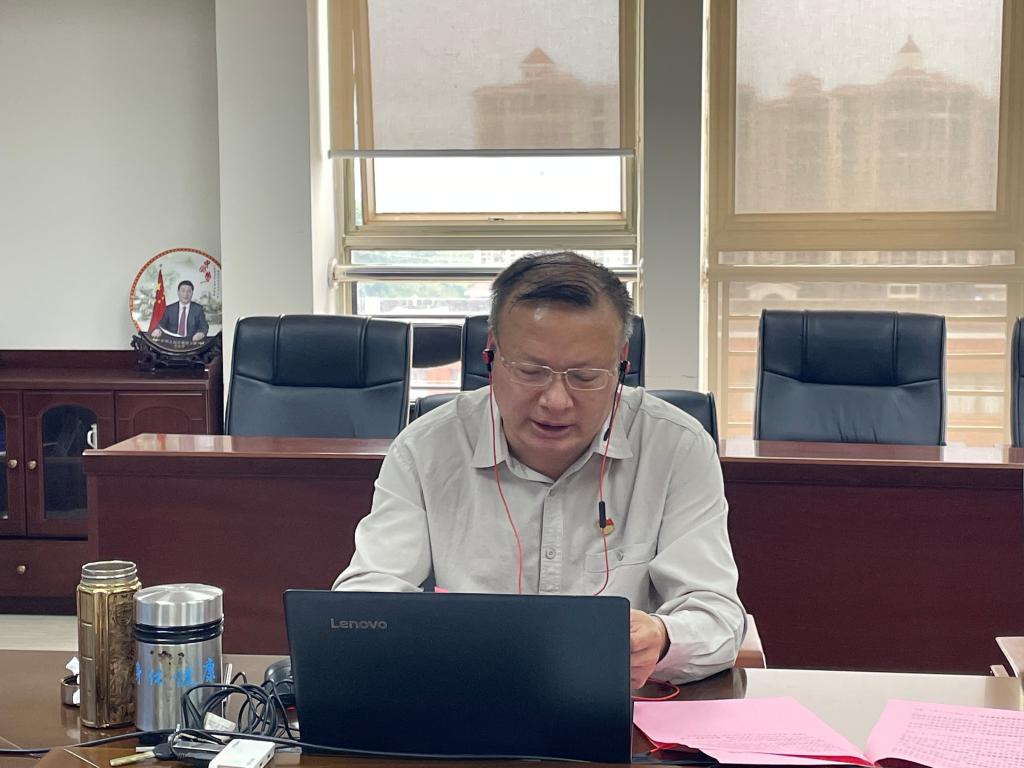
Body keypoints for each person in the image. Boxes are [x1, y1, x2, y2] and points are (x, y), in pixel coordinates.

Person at [333, 252, 745, 686]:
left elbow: (716, 615)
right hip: (466, 699)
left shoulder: (675, 445)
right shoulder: (426, 448)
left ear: (621, 361)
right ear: (491, 352)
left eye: (585, 376)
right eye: (530, 371)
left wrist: (662, 638)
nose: (556, 401)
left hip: (623, 706)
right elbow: (364, 602)